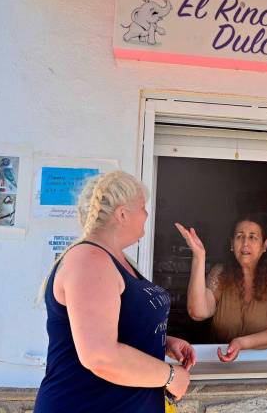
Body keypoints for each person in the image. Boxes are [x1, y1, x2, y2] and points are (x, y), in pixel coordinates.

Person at [35, 171, 196, 413]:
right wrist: (172, 376)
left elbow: (115, 326)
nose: (147, 215)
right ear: (122, 213)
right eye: (142, 207)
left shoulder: (117, 260)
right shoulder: (89, 260)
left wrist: (161, 341)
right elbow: (100, 356)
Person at [175, 215, 267, 362]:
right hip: (219, 364)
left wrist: (242, 343)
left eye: (253, 237)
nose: (245, 242)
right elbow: (198, 312)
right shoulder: (220, 273)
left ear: (264, 245)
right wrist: (199, 256)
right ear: (232, 244)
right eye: (239, 236)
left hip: (265, 365)